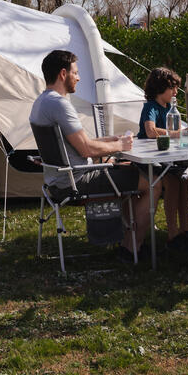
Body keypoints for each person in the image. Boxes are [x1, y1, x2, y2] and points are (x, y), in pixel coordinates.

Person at [30, 49, 151, 263]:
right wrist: (120, 144)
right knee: (150, 182)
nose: (78, 77)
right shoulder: (60, 104)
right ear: (63, 74)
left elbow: (78, 143)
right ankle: (131, 248)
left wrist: (111, 140)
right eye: (75, 73)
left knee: (123, 167)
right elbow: (86, 150)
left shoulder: (41, 102)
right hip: (76, 182)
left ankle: (122, 235)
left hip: (55, 181)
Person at [138, 67, 188, 252]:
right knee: (173, 182)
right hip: (151, 159)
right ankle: (172, 232)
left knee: (184, 181)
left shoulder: (169, 109)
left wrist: (185, 133)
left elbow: (177, 133)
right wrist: (176, 133)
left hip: (170, 157)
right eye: (172, 88)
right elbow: (150, 131)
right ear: (159, 88)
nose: (175, 92)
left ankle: (184, 229)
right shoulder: (151, 106)